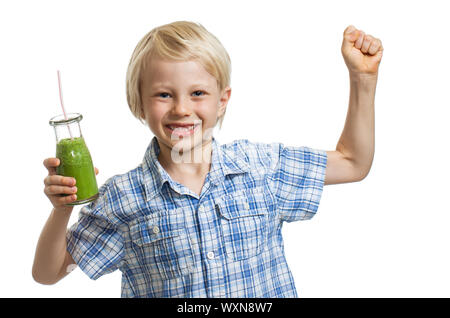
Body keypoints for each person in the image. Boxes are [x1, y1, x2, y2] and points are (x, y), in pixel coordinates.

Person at [33, 21, 383, 297]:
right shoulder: (123, 197)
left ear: (222, 100)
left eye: (197, 93)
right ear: (138, 102)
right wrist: (62, 208)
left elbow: (353, 162)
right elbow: (49, 273)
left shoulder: (259, 167)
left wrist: (363, 79)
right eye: (163, 94)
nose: (181, 108)